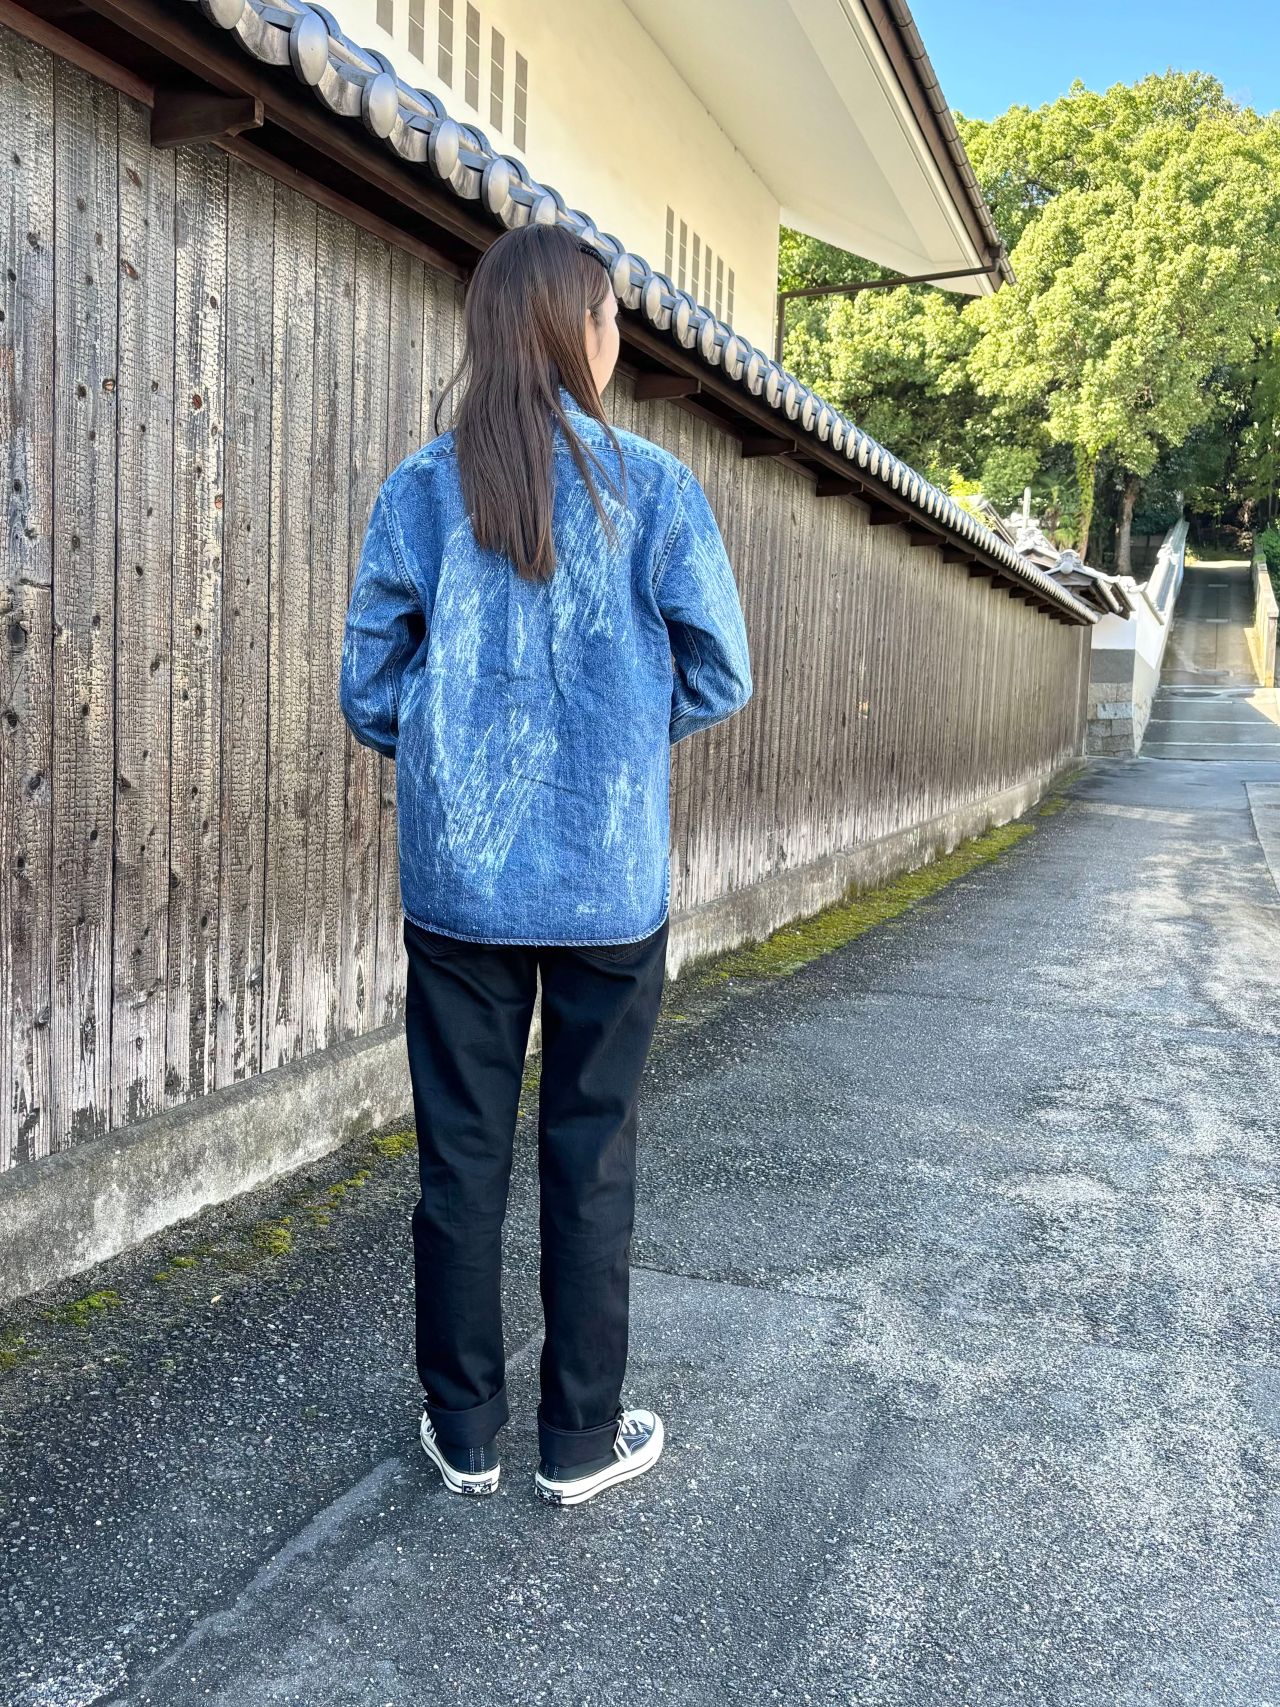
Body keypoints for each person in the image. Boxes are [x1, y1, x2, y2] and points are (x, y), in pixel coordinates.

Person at [339, 222, 753, 1508]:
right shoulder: (655, 489)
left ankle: (461, 1432)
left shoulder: (420, 490)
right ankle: (578, 1441)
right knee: (592, 1154)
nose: (616, 339)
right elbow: (719, 671)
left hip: (458, 883)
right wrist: (616, 739)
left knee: (459, 1157)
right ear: (578, 333)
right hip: (607, 885)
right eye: (609, 316)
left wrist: (452, 747)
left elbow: (368, 688)